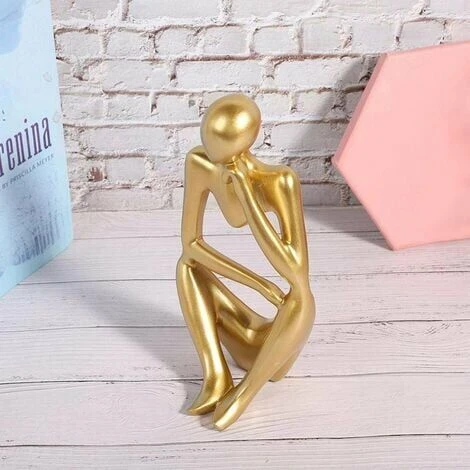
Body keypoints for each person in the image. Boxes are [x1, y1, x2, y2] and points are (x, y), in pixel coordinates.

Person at [176, 94, 315, 430]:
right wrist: (259, 284)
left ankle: (244, 393)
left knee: (303, 298)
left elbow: (296, 271)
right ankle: (216, 376)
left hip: (277, 352)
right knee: (186, 266)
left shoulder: (278, 181)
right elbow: (191, 244)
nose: (212, 155)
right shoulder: (199, 163)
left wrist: (249, 199)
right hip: (241, 335)